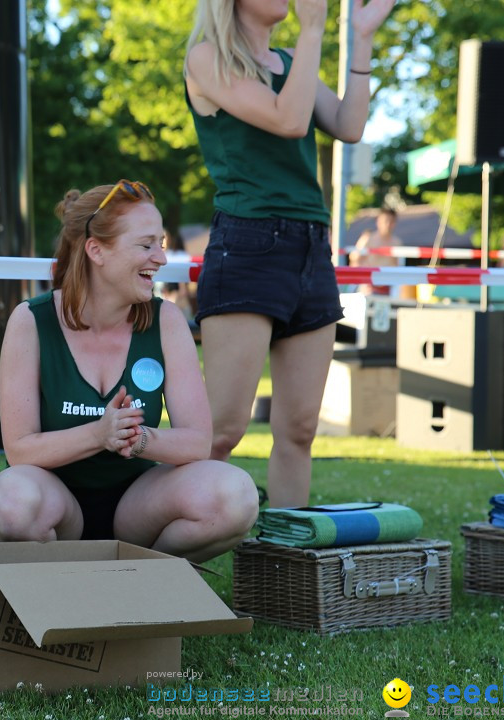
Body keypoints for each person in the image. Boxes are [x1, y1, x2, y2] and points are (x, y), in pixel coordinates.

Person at [184, 0, 395, 507]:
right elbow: (290, 120)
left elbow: (349, 125)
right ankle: (176, 559)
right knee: (222, 432)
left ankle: (286, 569)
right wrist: (314, 30)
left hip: (310, 246)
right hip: (249, 242)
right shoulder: (207, 58)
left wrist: (361, 36)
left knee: (299, 429)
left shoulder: (286, 59)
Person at [0, 181, 259, 563]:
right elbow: (20, 449)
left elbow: (197, 442)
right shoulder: (31, 320)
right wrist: (99, 434)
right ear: (96, 250)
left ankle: (143, 583)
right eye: (146, 245)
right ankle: (60, 592)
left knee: (235, 495)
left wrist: (136, 438)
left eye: (160, 244)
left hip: (138, 508)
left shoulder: (167, 319)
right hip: (56, 504)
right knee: (10, 502)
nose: (160, 259)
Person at [349, 206, 402, 296]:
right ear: (378, 221)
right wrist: (363, 280)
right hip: (367, 285)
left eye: (391, 221)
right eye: (385, 221)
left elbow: (397, 266)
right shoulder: (368, 238)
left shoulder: (397, 242)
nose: (388, 224)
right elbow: (354, 259)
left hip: (388, 287)